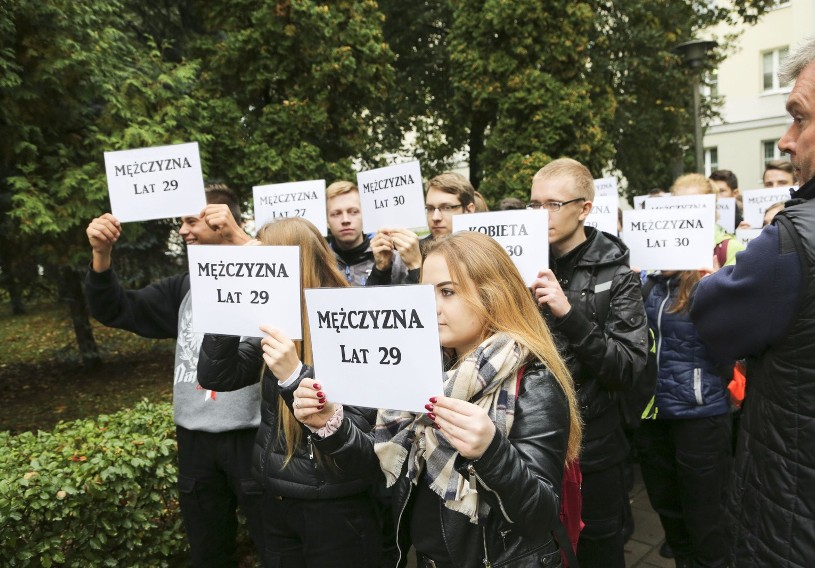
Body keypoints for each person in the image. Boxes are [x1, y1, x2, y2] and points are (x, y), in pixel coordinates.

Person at [282, 230, 582, 567]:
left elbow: (539, 516)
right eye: (427, 293)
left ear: (493, 295)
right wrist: (330, 425)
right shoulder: (423, 371)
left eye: (448, 292)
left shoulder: (533, 382)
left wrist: (491, 451)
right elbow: (385, 468)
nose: (432, 306)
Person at [690, 14, 815, 566]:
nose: (785, 142)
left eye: (798, 118)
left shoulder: (797, 242)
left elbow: (712, 317)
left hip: (802, 524)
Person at [84, 184, 264, 567]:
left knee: (275, 544)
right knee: (207, 552)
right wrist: (102, 254)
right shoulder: (181, 288)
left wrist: (242, 239)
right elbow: (116, 308)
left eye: (190, 221)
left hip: (255, 437)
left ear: (222, 221)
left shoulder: (267, 275)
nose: (182, 231)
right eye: (179, 223)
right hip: (195, 444)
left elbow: (303, 280)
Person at [196, 217, 382, 567]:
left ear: (290, 262)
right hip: (276, 500)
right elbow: (216, 374)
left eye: (265, 261)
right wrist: (230, 294)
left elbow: (360, 438)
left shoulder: (350, 321)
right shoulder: (278, 321)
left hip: (335, 505)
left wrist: (293, 375)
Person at [528, 158, 649, 568]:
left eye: (552, 204)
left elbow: (627, 368)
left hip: (593, 446)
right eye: (534, 205)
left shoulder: (617, 273)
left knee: (598, 547)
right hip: (531, 441)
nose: (541, 215)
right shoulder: (521, 263)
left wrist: (568, 314)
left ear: (583, 208)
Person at [637, 269, 733, 568]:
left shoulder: (709, 285)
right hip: (654, 415)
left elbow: (729, 350)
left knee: (705, 515)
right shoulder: (647, 285)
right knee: (668, 508)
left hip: (700, 417)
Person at [324, 180, 419, 286]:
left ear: (365, 215)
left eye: (354, 212)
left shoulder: (395, 257)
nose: (345, 220)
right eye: (336, 214)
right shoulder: (318, 261)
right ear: (326, 220)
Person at [670, 173, 744, 267]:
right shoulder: (664, 247)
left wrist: (715, 279)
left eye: (693, 205)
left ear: (712, 207)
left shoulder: (732, 249)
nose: (685, 212)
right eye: (678, 205)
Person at [421, 172, 476, 252]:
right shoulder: (415, 252)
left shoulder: (486, 251)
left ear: (469, 210)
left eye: (447, 208)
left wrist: (416, 264)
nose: (435, 217)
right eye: (430, 208)